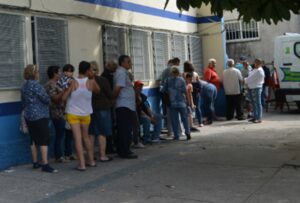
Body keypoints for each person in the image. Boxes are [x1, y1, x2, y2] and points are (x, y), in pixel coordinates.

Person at [62, 61, 100, 171]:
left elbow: (64, 98)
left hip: (73, 114)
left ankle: (82, 164)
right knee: (86, 137)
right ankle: (91, 161)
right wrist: (92, 77)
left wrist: (68, 92)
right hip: (86, 114)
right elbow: (98, 90)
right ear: (88, 70)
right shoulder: (91, 82)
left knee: (77, 139)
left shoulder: (73, 82)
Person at [21, 65, 57, 173]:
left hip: (29, 115)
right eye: (37, 71)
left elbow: (23, 101)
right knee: (43, 140)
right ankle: (45, 164)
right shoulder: (36, 85)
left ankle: (35, 162)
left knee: (33, 140)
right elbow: (45, 99)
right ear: (34, 73)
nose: (38, 73)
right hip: (40, 116)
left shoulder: (24, 86)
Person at [113, 55, 138, 159]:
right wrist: (112, 99)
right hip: (124, 105)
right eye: (128, 62)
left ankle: (124, 149)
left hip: (127, 105)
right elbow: (118, 88)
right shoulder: (121, 73)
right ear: (122, 63)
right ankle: (124, 151)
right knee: (125, 129)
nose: (130, 63)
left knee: (126, 128)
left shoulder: (124, 73)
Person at [88, 61, 113, 162]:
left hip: (89, 109)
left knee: (91, 133)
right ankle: (102, 156)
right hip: (103, 108)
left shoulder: (85, 81)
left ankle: (91, 156)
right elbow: (109, 94)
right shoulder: (103, 80)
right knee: (102, 133)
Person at [45, 66, 68, 163]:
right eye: (58, 72)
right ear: (54, 73)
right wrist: (64, 91)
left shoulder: (57, 83)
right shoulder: (50, 84)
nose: (60, 74)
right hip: (56, 113)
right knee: (60, 134)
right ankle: (59, 156)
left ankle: (62, 154)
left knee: (61, 134)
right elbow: (54, 99)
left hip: (61, 112)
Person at [162, 66, 191, 140]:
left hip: (172, 103)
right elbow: (185, 91)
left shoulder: (167, 80)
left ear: (171, 72)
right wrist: (188, 102)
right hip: (182, 102)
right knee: (184, 119)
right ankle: (187, 132)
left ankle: (176, 135)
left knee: (174, 120)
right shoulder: (181, 80)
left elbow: (163, 90)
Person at [101, 60, 118, 154]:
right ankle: (109, 147)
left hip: (109, 103)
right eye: (114, 66)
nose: (115, 68)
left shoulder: (109, 75)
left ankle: (111, 146)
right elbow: (109, 90)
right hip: (108, 103)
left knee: (111, 125)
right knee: (109, 126)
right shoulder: (106, 76)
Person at [183, 61, 203, 127]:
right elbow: (199, 82)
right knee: (197, 107)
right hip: (196, 92)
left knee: (189, 107)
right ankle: (200, 122)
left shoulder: (184, 74)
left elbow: (184, 83)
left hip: (188, 91)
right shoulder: (195, 73)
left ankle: (191, 122)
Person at [245, 58, 265, 123]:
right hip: (251, 88)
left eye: (257, 62)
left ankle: (259, 118)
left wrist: (245, 80)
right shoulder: (255, 69)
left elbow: (250, 78)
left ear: (260, 63)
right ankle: (255, 116)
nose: (255, 64)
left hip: (256, 88)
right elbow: (249, 76)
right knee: (253, 103)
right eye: (255, 62)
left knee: (257, 103)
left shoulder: (259, 70)